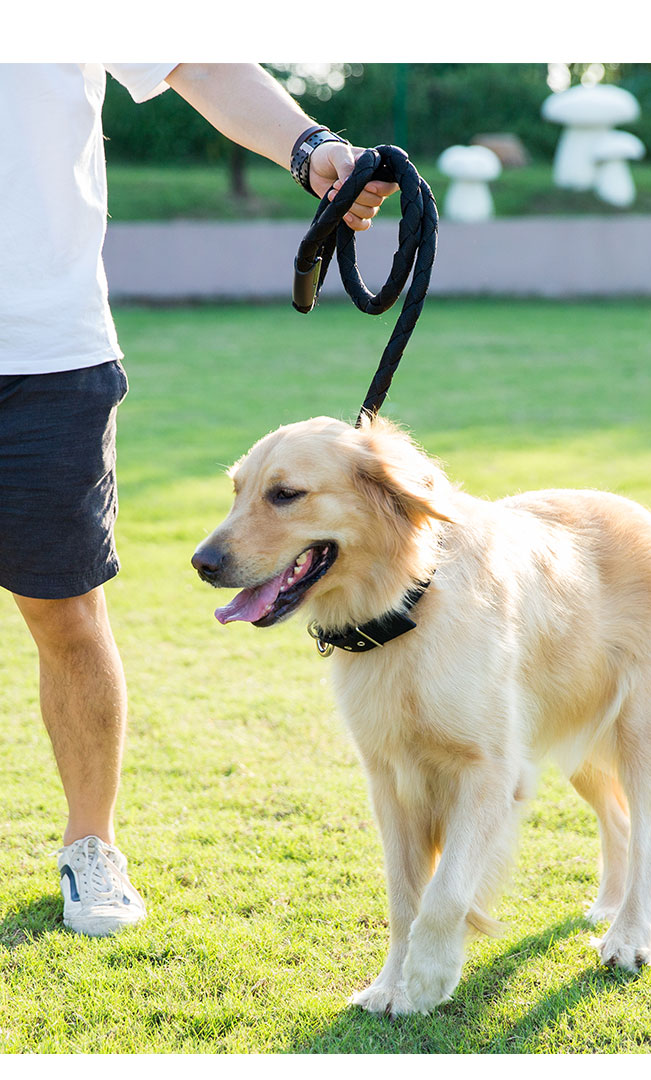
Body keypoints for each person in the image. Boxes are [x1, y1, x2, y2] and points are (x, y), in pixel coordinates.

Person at [0, 62, 396, 937]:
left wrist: (312, 148)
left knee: (65, 616)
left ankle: (91, 845)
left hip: (44, 355)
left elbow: (197, 58)